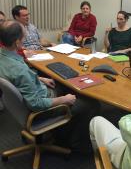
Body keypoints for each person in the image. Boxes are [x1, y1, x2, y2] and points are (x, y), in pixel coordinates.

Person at [0, 20, 100, 153]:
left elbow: (17, 79)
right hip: (37, 111)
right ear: (17, 42)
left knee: (62, 84)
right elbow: (36, 104)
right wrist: (64, 100)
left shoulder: (4, 56)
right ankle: (71, 142)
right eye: (23, 38)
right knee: (91, 103)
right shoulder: (19, 69)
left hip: (21, 104)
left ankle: (60, 129)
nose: (24, 41)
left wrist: (39, 78)